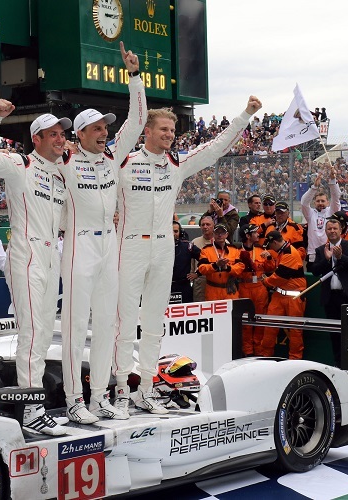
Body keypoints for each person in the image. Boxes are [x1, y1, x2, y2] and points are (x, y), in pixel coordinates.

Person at [114, 95, 262, 415]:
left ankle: (147, 390)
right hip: (130, 246)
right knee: (125, 324)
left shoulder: (177, 164)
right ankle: (122, 392)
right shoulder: (124, 162)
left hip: (164, 248)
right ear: (147, 132)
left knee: (154, 324)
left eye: (172, 130)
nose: (170, 134)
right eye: (164, 129)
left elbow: (215, 147)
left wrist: (246, 114)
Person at [58, 45, 146, 423]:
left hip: (109, 244)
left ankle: (98, 397)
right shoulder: (64, 160)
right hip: (77, 244)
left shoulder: (113, 156)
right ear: (79, 133)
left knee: (107, 323)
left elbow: (138, 119)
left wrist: (134, 77)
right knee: (76, 326)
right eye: (97, 128)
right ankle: (73, 399)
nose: (105, 132)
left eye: (106, 127)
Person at [0, 101, 71, 435]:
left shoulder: (62, 172)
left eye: (63, 134)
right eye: (54, 134)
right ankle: (31, 409)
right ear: (38, 138)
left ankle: (34, 405)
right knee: (31, 332)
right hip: (26, 252)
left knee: (44, 333)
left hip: (52, 254)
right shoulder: (21, 164)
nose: (61, 139)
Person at [311, 213, 348, 366]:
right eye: (329, 229)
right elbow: (315, 270)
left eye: (335, 228)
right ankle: (338, 363)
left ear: (341, 230)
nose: (332, 231)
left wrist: (341, 257)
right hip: (331, 298)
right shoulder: (321, 250)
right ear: (326, 231)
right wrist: (327, 259)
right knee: (335, 332)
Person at [260, 231, 306, 359]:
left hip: (294, 297)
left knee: (295, 330)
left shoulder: (290, 253)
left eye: (270, 245)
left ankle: (295, 359)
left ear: (274, 242)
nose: (270, 249)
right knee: (270, 327)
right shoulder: (282, 251)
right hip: (279, 295)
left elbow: (280, 276)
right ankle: (265, 356)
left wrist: (266, 281)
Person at [237, 224, 269, 356]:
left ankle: (259, 351)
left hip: (260, 288)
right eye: (255, 233)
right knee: (246, 323)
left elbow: (270, 267)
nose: (258, 235)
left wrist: (269, 257)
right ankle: (248, 352)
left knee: (260, 320)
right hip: (244, 287)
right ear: (248, 236)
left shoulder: (261, 249)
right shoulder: (237, 251)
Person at [301, 167, 340, 263]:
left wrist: (332, 180)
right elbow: (304, 203)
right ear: (314, 203)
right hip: (313, 254)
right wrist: (314, 187)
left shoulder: (331, 212)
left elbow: (336, 198)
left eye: (323, 201)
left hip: (330, 253)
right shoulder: (310, 214)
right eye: (318, 201)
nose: (320, 203)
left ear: (328, 202)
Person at [197, 224, 243, 301]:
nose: (220, 235)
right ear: (213, 234)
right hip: (212, 291)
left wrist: (227, 268)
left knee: (232, 312)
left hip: (230, 290)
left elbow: (240, 268)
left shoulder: (234, 250)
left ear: (227, 235)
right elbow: (201, 269)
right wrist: (215, 265)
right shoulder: (206, 250)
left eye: (222, 233)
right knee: (212, 313)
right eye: (217, 233)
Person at [171, 221, 202, 304]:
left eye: (176, 231)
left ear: (180, 233)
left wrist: (198, 273)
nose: (173, 234)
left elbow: (205, 259)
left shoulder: (188, 246)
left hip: (183, 287)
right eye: (170, 231)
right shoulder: (158, 248)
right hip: (164, 288)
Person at [191, 215, 214, 302]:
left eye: (208, 224)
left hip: (215, 282)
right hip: (199, 282)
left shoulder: (222, 242)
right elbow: (192, 265)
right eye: (203, 224)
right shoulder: (194, 242)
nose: (205, 227)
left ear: (213, 226)